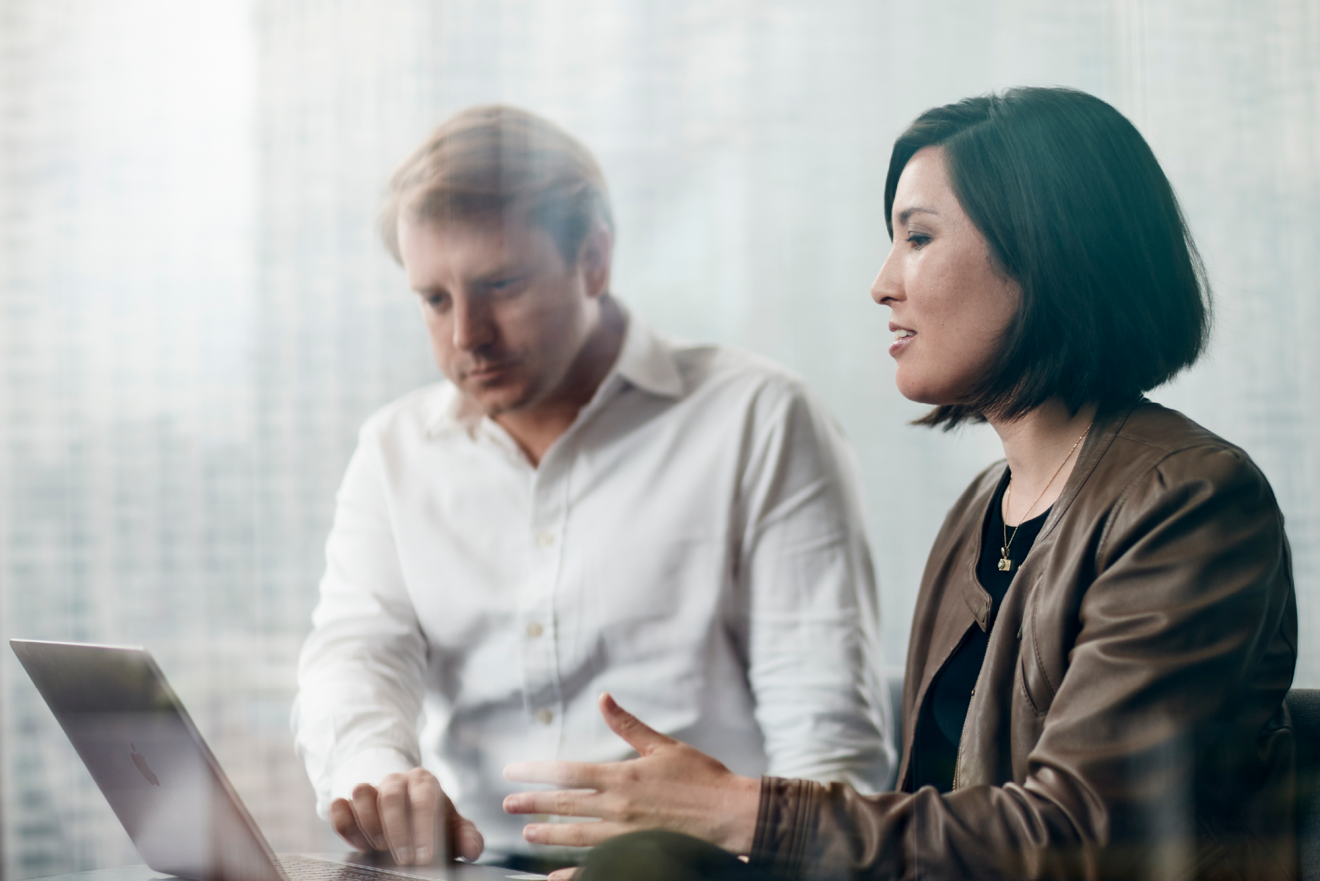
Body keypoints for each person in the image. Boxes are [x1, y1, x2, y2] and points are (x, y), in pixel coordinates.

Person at [502, 87, 1298, 880]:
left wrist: (741, 808)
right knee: (642, 863)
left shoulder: (1190, 499)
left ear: (1050, 250)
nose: (883, 283)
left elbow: (1079, 833)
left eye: (918, 238)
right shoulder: (980, 512)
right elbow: (924, 818)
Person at [290, 105, 895, 872]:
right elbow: (354, 656)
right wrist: (376, 777)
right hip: (474, 867)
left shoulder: (758, 417)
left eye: (500, 284)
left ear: (595, 259)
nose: (467, 334)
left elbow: (827, 743)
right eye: (434, 300)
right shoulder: (393, 448)